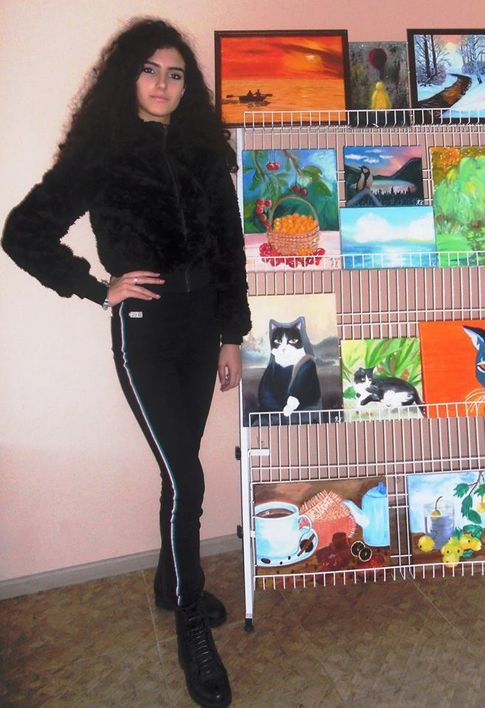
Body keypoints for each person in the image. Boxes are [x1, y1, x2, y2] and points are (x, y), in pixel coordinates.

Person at [2, 18, 251, 708]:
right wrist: (94, 286)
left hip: (202, 327)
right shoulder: (102, 151)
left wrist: (231, 333)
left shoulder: (205, 150)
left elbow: (229, 246)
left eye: (175, 74)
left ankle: (172, 586)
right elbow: (23, 232)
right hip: (146, 329)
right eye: (149, 70)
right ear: (127, 77)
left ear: (187, 86)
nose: (162, 84)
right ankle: (191, 626)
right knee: (187, 475)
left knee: (181, 470)